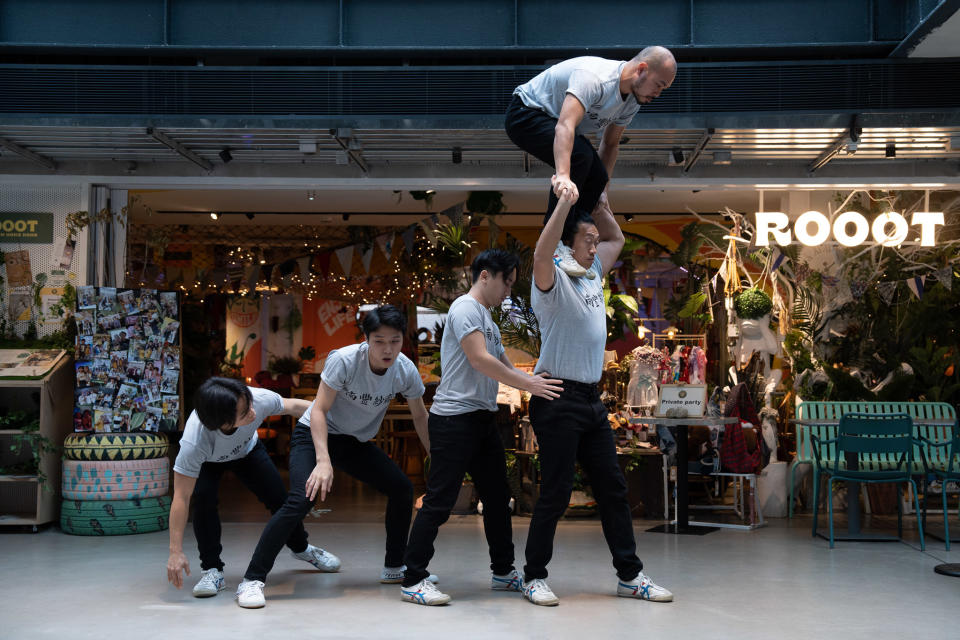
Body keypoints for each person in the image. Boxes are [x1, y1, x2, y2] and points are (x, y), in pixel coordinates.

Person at [521, 188, 673, 606]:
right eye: (586, 239)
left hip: (590, 399)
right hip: (557, 396)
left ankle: (630, 575)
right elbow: (541, 251)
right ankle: (533, 577)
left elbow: (616, 240)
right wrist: (567, 205)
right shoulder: (550, 278)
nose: (594, 245)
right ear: (567, 243)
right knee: (555, 490)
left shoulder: (591, 274)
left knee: (613, 488)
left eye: (593, 240)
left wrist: (603, 210)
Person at [233, 304, 434, 608]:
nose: (387, 349)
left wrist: (436, 457)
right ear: (366, 339)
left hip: (353, 442)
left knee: (402, 489)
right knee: (302, 498)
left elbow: (420, 416)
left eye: (394, 341)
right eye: (379, 341)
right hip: (314, 433)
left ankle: (395, 567)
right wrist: (323, 461)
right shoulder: (344, 360)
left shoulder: (404, 369)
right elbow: (319, 411)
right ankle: (252, 580)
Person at [400, 249, 564, 606]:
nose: (509, 290)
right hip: (454, 420)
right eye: (507, 281)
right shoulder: (465, 309)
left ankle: (503, 572)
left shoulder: (487, 317)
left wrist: (531, 377)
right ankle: (413, 578)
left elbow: (500, 357)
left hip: (482, 418)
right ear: (486, 275)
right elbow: (479, 358)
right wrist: (528, 385)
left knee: (496, 497)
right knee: (440, 501)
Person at [505, 46, 676, 276]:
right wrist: (563, 176)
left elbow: (611, 143)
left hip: (555, 123)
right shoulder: (595, 78)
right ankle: (554, 245)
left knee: (597, 176)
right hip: (525, 113)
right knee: (580, 155)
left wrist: (602, 192)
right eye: (659, 85)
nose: (658, 94)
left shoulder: (633, 101)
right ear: (642, 70)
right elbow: (565, 125)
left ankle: (571, 245)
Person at [166, 377, 339, 600]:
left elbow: (296, 406)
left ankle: (302, 548)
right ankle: (212, 571)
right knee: (203, 502)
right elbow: (181, 497)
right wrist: (175, 551)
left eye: (248, 404)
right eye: (244, 413)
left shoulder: (257, 399)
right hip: (208, 461)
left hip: (248, 452)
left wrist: (336, 419)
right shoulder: (194, 442)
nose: (252, 412)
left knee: (280, 500)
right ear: (223, 423)